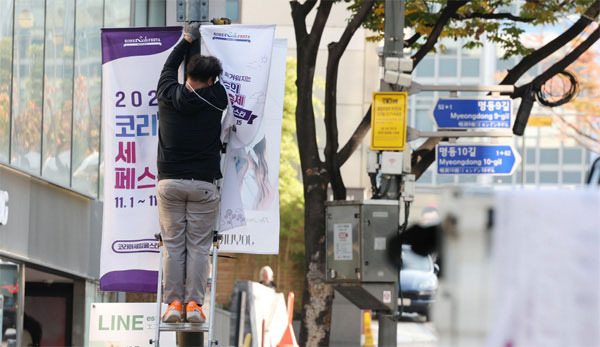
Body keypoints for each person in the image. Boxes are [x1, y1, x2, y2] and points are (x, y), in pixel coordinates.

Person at [156, 22, 228, 323]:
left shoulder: (167, 93)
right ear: (211, 80)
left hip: (169, 183)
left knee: (173, 245)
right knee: (198, 246)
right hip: (203, 185)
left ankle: (173, 304)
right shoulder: (217, 99)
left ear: (187, 76)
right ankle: (195, 306)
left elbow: (169, 66)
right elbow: (218, 84)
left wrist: (187, 38)